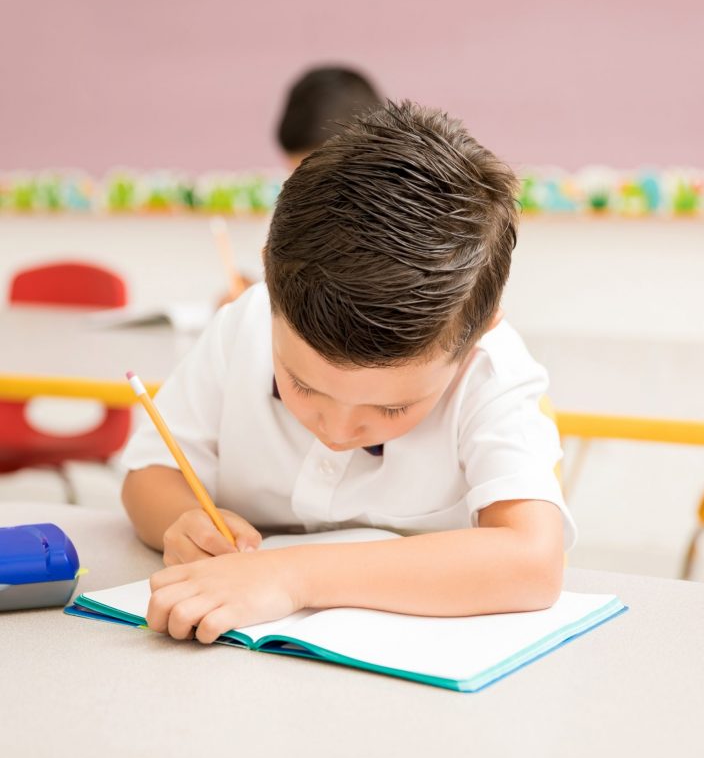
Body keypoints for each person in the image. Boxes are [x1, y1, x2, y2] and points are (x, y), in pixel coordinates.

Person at [122, 100, 576, 644]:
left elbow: (533, 561)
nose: (336, 433)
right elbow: (148, 477)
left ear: (476, 336)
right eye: (303, 385)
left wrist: (289, 577)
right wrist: (179, 522)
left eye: (391, 408)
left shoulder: (491, 371)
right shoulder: (245, 323)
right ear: (267, 284)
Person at [219, 66, 382, 304]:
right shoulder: (294, 209)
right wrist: (249, 297)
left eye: (317, 175)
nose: (306, 189)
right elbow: (258, 274)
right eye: (295, 173)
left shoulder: (400, 224)